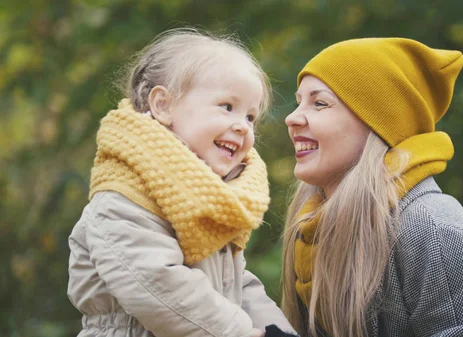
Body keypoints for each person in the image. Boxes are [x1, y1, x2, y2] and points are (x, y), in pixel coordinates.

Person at [281, 37, 463, 337]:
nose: (291, 118)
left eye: (320, 103)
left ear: (380, 123)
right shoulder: (316, 233)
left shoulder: (432, 233)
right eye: (299, 102)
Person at [67, 28, 295, 337]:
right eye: (227, 107)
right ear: (163, 105)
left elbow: (237, 283)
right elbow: (158, 286)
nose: (242, 127)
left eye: (250, 117)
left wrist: (277, 330)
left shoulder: (204, 201)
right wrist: (237, 331)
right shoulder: (122, 197)